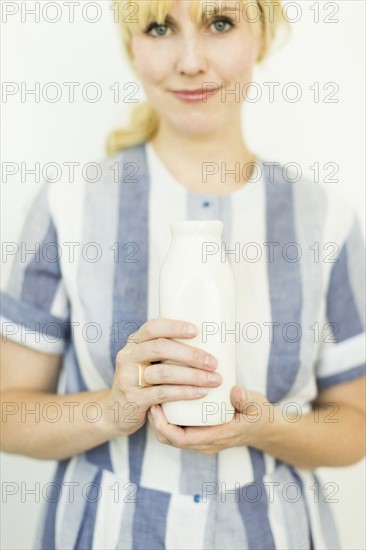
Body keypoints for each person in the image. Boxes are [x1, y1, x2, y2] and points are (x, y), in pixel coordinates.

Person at [1, 1, 365, 549]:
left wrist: (269, 427)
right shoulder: (66, 207)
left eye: (220, 23)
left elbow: (355, 424)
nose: (191, 61)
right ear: (131, 47)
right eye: (159, 27)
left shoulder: (324, 219)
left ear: (261, 36)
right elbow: (10, 411)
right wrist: (112, 409)